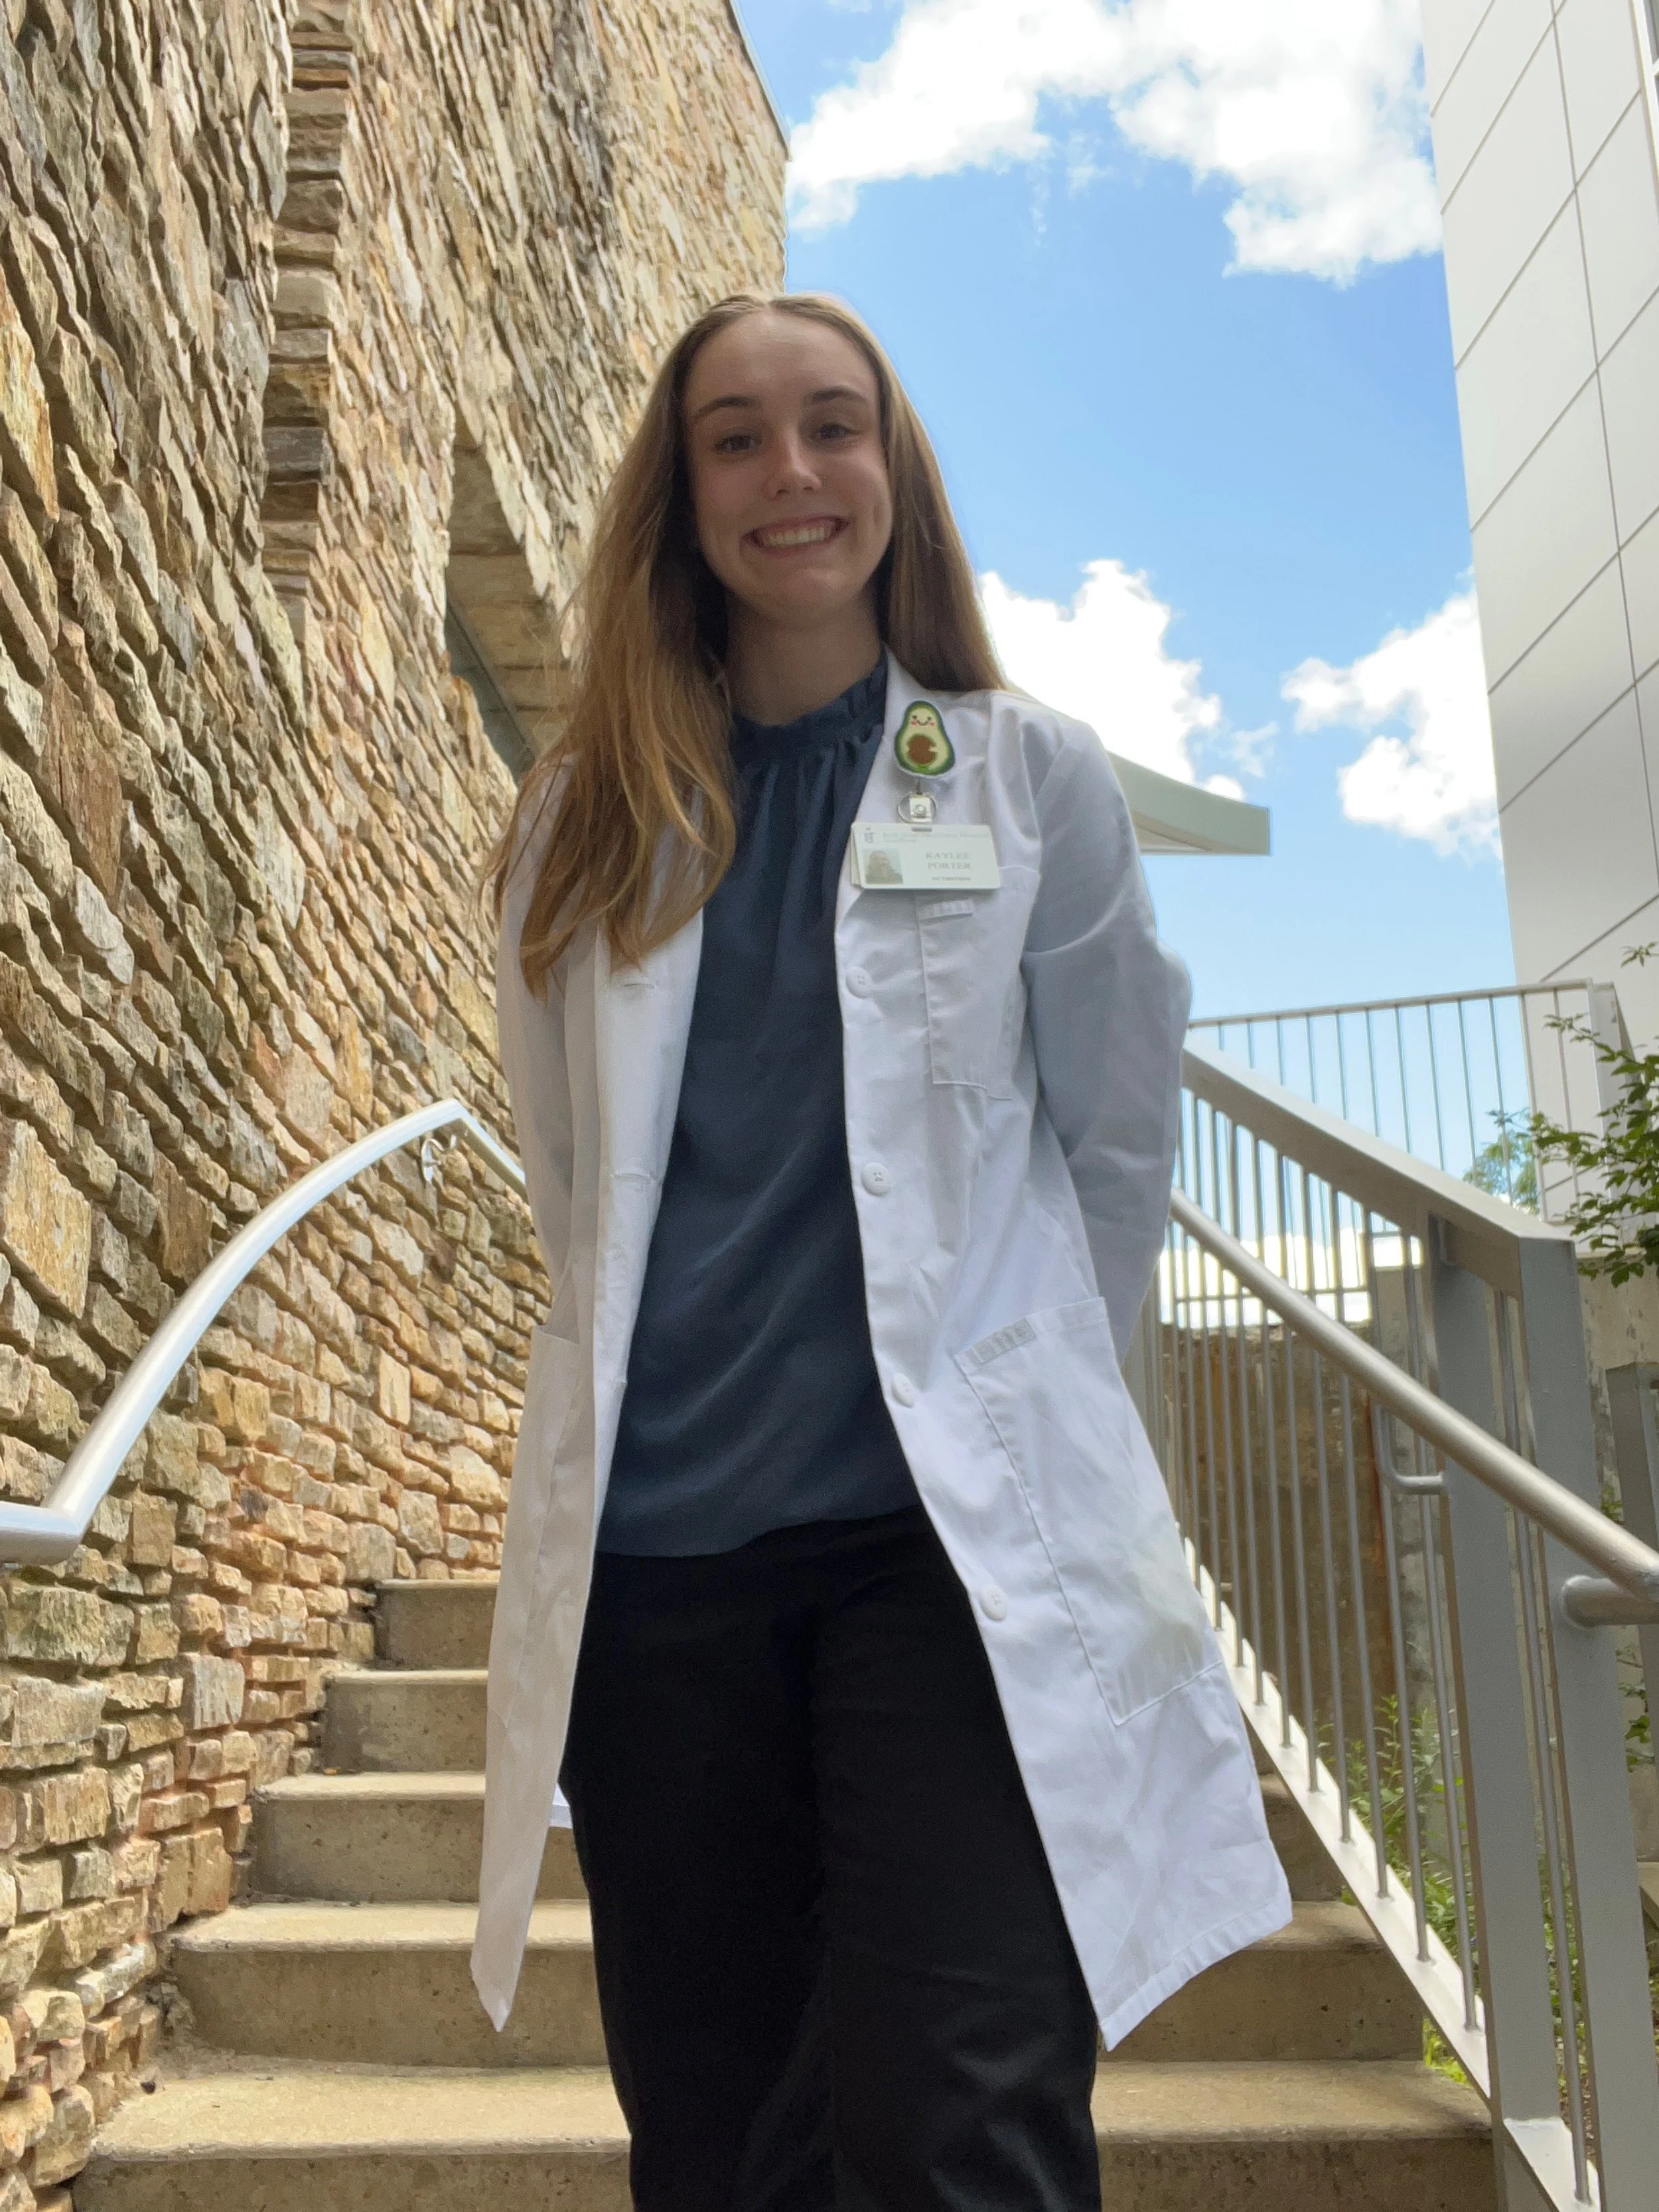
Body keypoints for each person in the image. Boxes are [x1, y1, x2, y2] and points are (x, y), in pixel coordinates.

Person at [474, 293, 1290, 2211]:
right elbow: (572, 1179)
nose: (791, 475)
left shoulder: (1023, 780)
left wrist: (1040, 1449)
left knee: (958, 2116)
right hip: (661, 1569)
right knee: (720, 2138)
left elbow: (1108, 1148)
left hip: (947, 1560)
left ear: (893, 470)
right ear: (678, 498)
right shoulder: (573, 830)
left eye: (831, 427)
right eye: (736, 438)